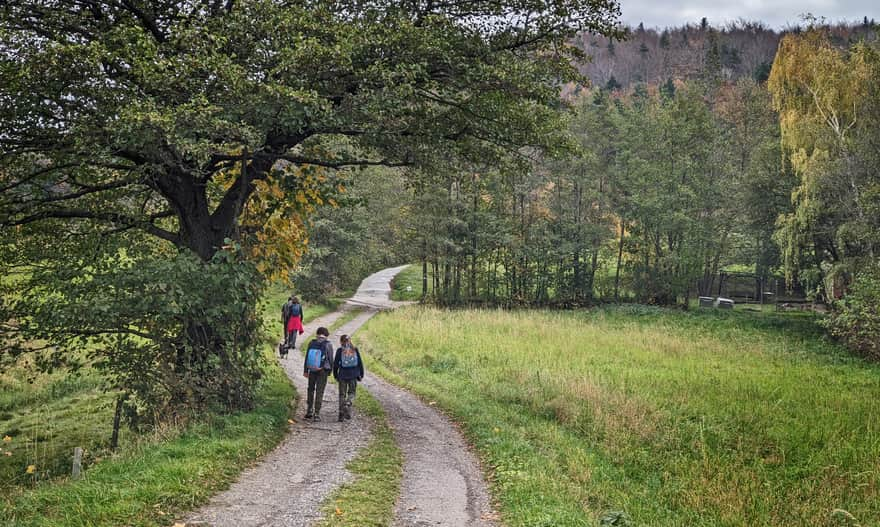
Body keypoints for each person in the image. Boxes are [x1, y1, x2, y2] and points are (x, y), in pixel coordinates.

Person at [303, 326, 333, 421]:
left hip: (312, 369)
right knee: (320, 391)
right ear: (326, 335)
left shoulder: (312, 343)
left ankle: (309, 410)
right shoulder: (328, 344)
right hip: (323, 370)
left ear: (317, 333)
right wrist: (330, 371)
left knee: (311, 389)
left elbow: (307, 357)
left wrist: (305, 370)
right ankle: (316, 414)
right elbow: (330, 359)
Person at [333, 334, 364, 422]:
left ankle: (341, 414)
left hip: (342, 375)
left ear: (341, 342)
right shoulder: (355, 349)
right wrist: (361, 374)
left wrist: (335, 375)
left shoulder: (340, 350)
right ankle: (348, 403)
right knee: (352, 392)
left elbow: (335, 364)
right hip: (353, 375)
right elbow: (360, 363)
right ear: (350, 341)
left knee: (342, 394)